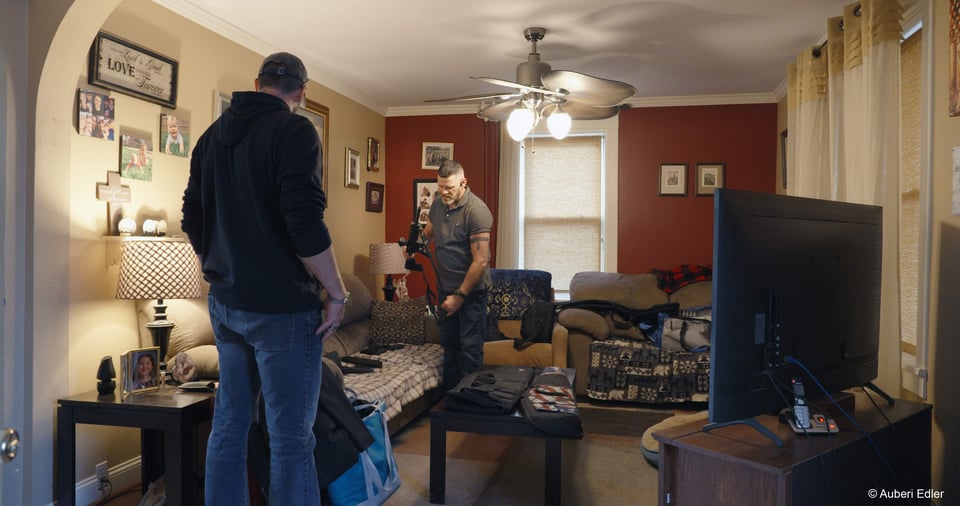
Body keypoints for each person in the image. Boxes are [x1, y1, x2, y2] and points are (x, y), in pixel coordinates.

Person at [182, 51, 349, 505]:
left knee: (229, 428)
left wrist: (216, 263)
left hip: (227, 304)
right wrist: (336, 292)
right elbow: (305, 223)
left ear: (257, 84)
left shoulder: (212, 136)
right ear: (300, 92)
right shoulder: (296, 130)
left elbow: (192, 214)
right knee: (291, 437)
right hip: (283, 310)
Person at [421, 159, 493, 389]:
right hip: (445, 288)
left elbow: (481, 260)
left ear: (463, 182)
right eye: (440, 186)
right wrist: (415, 242)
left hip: (471, 293)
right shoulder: (438, 204)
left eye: (449, 187)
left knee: (469, 348)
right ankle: (451, 401)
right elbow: (430, 231)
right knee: (449, 346)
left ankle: (470, 404)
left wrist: (460, 295)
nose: (443, 191)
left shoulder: (477, 211)